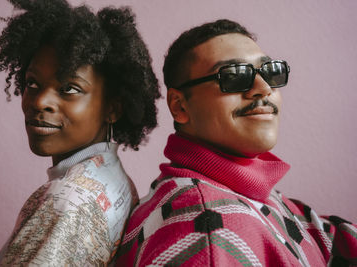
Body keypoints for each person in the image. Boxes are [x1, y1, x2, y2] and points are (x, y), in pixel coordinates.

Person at [116, 19, 357, 266]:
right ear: (179, 106)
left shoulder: (242, 189)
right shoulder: (206, 229)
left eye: (270, 72)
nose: (263, 88)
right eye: (234, 76)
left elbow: (326, 236)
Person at [0, 0, 160, 265]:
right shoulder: (112, 176)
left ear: (113, 108)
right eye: (33, 83)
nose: (39, 101)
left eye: (69, 88)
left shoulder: (68, 202)